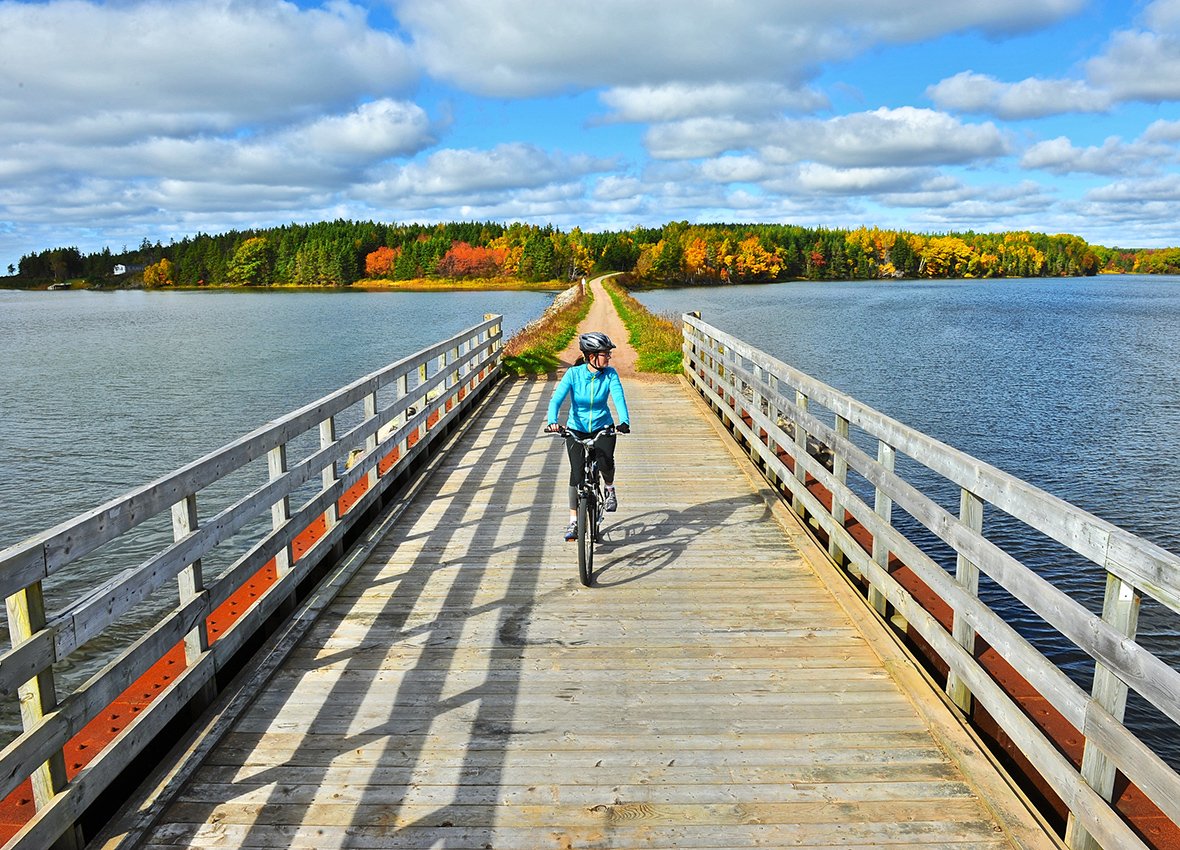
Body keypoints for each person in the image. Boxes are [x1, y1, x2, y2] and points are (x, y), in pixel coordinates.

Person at [545, 331, 632, 540]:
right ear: (592, 356)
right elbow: (556, 399)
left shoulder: (610, 374)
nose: (609, 357)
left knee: (605, 463)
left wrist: (624, 421)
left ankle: (609, 489)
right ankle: (574, 522)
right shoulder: (573, 374)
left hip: (603, 426)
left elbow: (618, 397)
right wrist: (552, 421)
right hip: (576, 427)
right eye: (605, 353)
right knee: (576, 475)